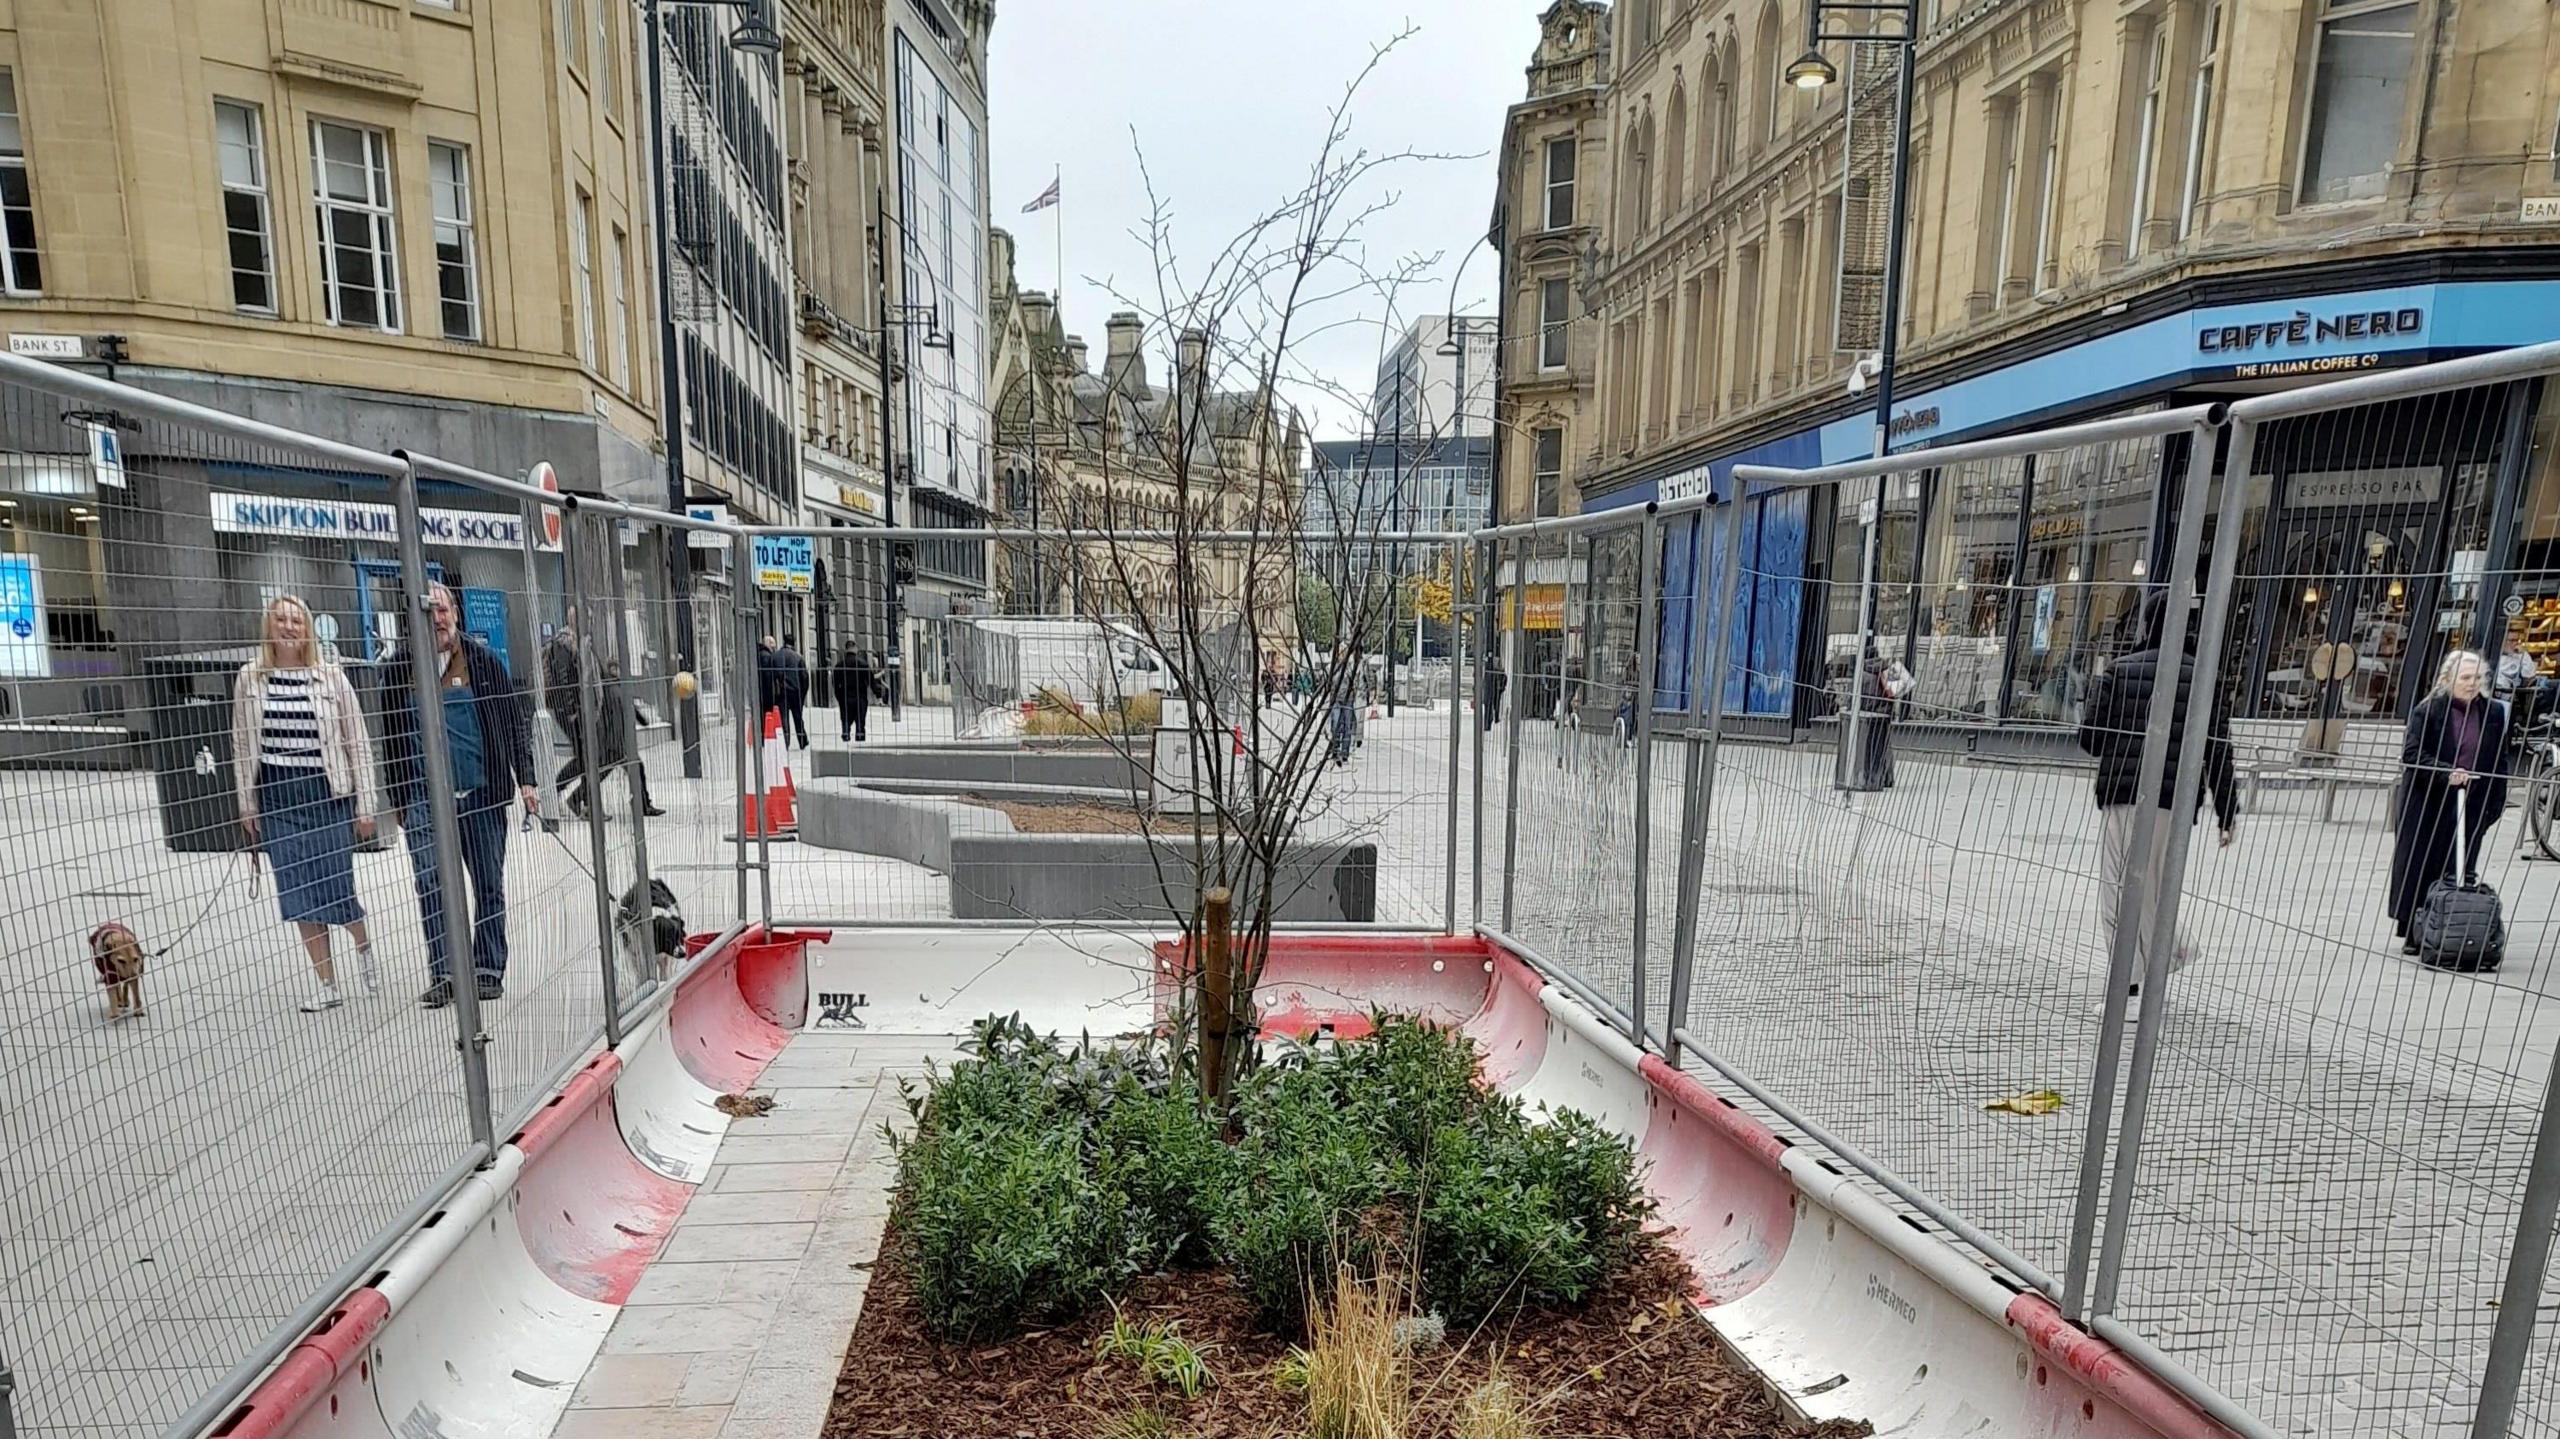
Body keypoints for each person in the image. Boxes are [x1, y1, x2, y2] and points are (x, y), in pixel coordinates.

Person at [379, 583, 537, 1009]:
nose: (438, 618)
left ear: (455, 613)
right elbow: (391, 738)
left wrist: (526, 779)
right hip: (425, 799)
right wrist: (399, 798)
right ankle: (445, 971)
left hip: (481, 793)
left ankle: (487, 967)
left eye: (443, 609)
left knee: (487, 881)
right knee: (431, 882)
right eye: (428, 611)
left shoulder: (483, 662)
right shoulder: (398, 670)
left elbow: (511, 721)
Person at [2077, 589, 2238, 986]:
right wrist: (2227, 812)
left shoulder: (2119, 671)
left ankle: (2131, 984)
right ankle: (2172, 947)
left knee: (2120, 891)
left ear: (2147, 624)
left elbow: (2091, 740)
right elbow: (2217, 749)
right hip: (2175, 803)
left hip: (2125, 796)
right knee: (2154, 888)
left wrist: (2098, 692)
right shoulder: (2202, 678)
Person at [233, 595, 380, 1013]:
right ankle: (327, 982)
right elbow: (241, 743)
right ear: (269, 627)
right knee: (297, 891)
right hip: (277, 793)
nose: (289, 627)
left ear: (309, 628)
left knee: (335, 882)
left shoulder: (331, 677)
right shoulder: (250, 679)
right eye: (281, 619)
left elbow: (358, 742)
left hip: (325, 790)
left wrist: (365, 804)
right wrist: (247, 803)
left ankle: (362, 943)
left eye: (297, 620)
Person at [2390, 650, 2510, 956]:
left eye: (2478, 678)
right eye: (2465, 678)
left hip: (2473, 800)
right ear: (2448, 679)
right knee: (2423, 863)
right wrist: (2447, 772)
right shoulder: (2428, 710)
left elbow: (2500, 758)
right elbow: (2412, 755)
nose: (2472, 684)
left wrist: (2495, 801)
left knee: (2461, 865)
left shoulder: (2493, 712)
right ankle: (2416, 930)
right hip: (2428, 800)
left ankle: (2456, 928)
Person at [562, 657, 665, 819]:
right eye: (618, 669)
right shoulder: (612, 690)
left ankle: (576, 798)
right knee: (628, 770)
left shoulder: (615, 688)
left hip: (615, 742)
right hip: (616, 743)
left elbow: (630, 710)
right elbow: (620, 714)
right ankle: (642, 805)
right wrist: (641, 722)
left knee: (604, 772)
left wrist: (642, 720)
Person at [1838, 641, 1914, 790]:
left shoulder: (1861, 675)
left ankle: (1864, 776)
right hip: (1884, 716)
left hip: (1864, 718)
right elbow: (1898, 693)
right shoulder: (1887, 670)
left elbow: (1852, 699)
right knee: (1884, 746)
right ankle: (1886, 777)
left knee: (1864, 748)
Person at [833, 645, 875, 743]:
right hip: (860, 697)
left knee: (845, 719)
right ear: (856, 650)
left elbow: (835, 684)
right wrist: (878, 693)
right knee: (860, 722)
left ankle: (846, 734)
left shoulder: (839, 665)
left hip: (845, 697)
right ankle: (860, 739)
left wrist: (839, 698)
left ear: (845, 650)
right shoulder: (863, 664)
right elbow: (871, 680)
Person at [776, 633, 810, 749]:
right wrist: (803, 694)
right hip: (796, 692)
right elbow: (805, 677)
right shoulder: (798, 657)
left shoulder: (777, 656)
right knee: (798, 717)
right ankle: (802, 740)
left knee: (784, 718)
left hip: (782, 692)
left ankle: (785, 742)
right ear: (793, 643)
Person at [1481, 654, 1508, 732]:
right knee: (1493, 705)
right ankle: (1491, 719)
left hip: (1496, 691)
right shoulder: (1491, 672)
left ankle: (1494, 718)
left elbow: (1504, 679)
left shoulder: (1499, 672)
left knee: (1495, 705)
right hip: (1493, 691)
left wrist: (1502, 688)